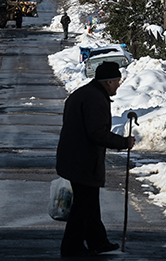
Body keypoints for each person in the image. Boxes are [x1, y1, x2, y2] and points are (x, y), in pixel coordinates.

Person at [55, 61, 135, 257]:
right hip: (82, 160)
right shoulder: (96, 99)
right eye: (117, 80)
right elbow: (97, 133)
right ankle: (71, 246)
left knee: (89, 203)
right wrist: (124, 142)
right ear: (108, 81)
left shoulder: (85, 93)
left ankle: (98, 241)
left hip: (75, 157)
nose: (119, 84)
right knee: (83, 205)